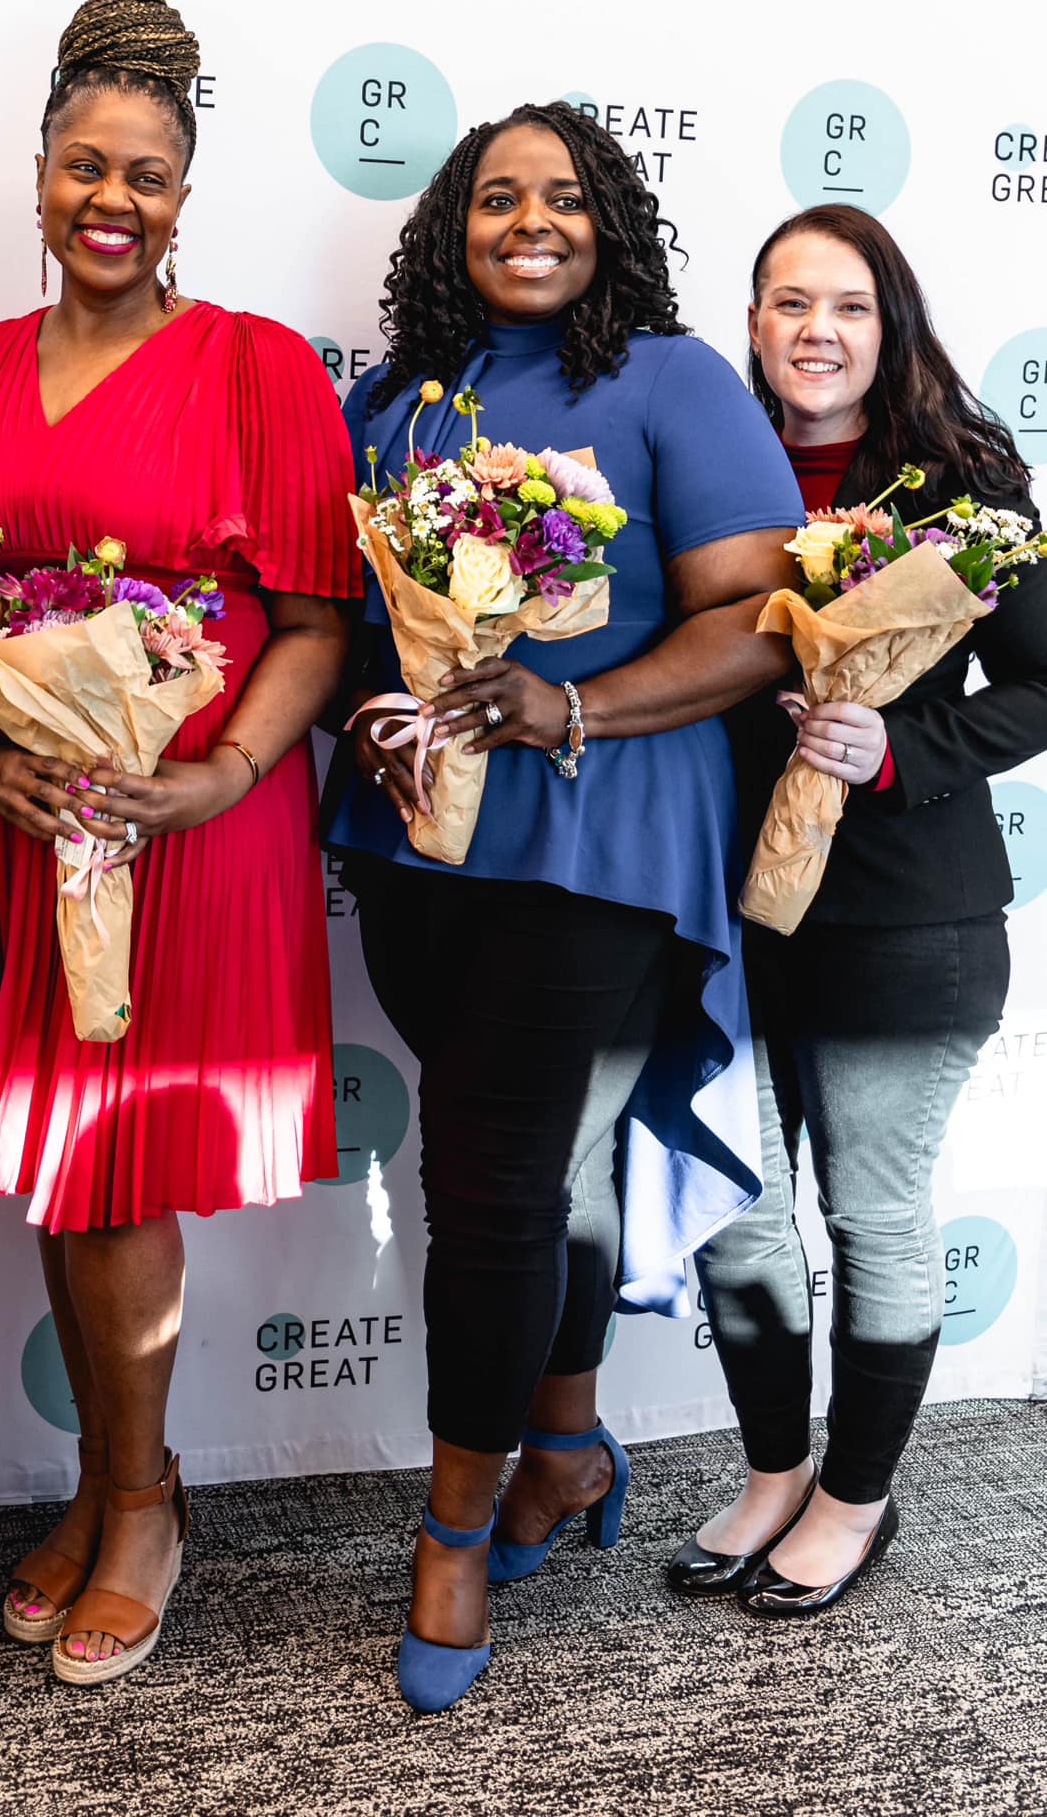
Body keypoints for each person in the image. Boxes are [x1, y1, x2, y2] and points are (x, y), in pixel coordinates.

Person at [325, 102, 803, 1711]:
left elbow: (761, 617)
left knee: (491, 1188)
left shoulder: (669, 382)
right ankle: (563, 1448)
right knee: (540, 1172)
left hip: (602, 844)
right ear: (449, 229)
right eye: (494, 199)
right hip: (417, 849)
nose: (530, 221)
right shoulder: (395, 398)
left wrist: (569, 706)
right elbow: (354, 627)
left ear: (612, 221)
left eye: (565, 196)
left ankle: (453, 1535)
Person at [0, 0, 359, 1686]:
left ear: (186, 194)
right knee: (61, 1167)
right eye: (83, 166)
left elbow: (317, 622)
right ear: (35, 178)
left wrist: (220, 774)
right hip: (21, 819)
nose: (112, 199)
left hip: (190, 823)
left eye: (148, 174)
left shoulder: (255, 369)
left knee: (116, 1178)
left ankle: (140, 1502)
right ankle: (119, 1489)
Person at [671, 205, 1047, 1614]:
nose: (811, 330)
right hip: (719, 906)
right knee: (741, 1214)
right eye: (783, 303)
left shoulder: (962, 480)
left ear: (886, 323)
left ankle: (852, 1496)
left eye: (843, 305)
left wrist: (896, 751)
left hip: (908, 913)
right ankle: (771, 1472)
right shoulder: (707, 470)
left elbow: (1038, 683)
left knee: (874, 1214)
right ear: (752, 323)